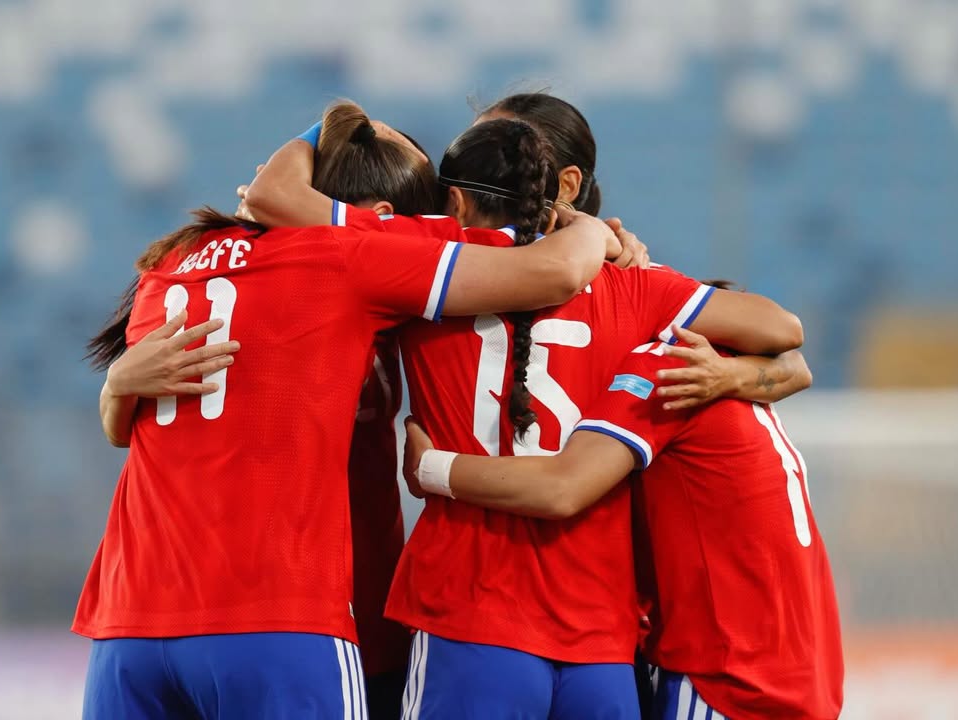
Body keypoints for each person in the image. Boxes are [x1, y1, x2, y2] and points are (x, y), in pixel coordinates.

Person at [242, 113, 809, 718]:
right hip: (599, 643)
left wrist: (329, 125)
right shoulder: (633, 288)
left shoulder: (427, 255)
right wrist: (727, 367)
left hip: (468, 619)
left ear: (454, 202)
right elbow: (782, 330)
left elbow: (277, 202)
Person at [74, 100, 619, 719]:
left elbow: (130, 428)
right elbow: (552, 270)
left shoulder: (172, 263)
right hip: (281, 612)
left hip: (131, 618)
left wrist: (114, 387)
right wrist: (595, 230)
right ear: (385, 218)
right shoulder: (351, 259)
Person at [402, 330, 843, 720]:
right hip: (806, 671)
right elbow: (796, 361)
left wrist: (431, 468)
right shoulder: (730, 374)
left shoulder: (668, 364)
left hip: (731, 677)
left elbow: (563, 488)